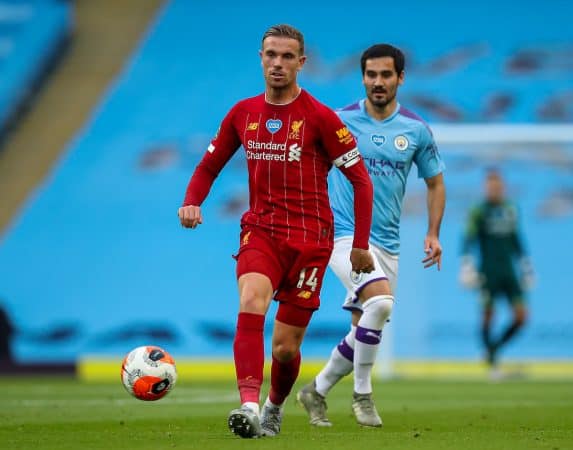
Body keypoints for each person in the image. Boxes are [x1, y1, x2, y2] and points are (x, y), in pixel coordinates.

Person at [178, 24, 375, 439]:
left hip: (310, 241)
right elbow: (209, 164)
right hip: (262, 231)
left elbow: (361, 180)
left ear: (302, 63)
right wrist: (192, 199)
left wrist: (359, 246)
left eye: (287, 57)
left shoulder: (320, 118)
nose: (278, 63)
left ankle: (274, 405)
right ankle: (248, 404)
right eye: (271, 55)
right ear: (261, 58)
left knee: (285, 348)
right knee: (251, 300)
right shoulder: (242, 113)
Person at [296, 43, 446, 427]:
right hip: (343, 235)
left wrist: (432, 232)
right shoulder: (338, 120)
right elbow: (307, 168)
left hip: (388, 243)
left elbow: (435, 182)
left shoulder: (415, 129)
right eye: (371, 75)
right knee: (381, 304)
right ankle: (363, 397)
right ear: (362, 77)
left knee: (365, 327)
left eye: (385, 75)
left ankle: (316, 390)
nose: (377, 82)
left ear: (400, 78)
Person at [459, 168, 533, 378]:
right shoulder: (479, 211)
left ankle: (492, 350)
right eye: (491, 186)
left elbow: (516, 239)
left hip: (508, 271)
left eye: (498, 186)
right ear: (485, 188)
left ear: (503, 187)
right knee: (487, 317)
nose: (495, 189)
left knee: (521, 316)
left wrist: (526, 265)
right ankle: (493, 364)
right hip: (488, 271)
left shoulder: (511, 209)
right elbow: (468, 238)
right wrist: (466, 265)